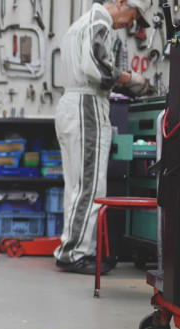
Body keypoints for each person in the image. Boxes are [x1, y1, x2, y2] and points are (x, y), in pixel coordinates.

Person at [54, 0, 155, 275]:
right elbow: (97, 69)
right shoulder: (99, 23)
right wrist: (131, 78)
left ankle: (73, 249)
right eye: (133, 16)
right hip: (86, 106)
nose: (130, 24)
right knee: (90, 186)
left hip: (73, 105)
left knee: (76, 186)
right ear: (122, 3)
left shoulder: (79, 25)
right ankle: (75, 253)